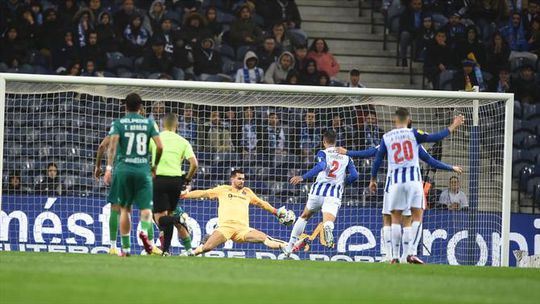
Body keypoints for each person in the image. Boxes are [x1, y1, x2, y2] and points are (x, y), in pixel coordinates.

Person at [369, 108, 464, 263]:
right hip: (413, 182)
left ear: (395, 120)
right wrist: (454, 125)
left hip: (395, 183)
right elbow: (435, 139)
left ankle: (393, 256)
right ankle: (411, 252)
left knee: (394, 218)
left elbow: (377, 159)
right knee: (417, 215)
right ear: (408, 120)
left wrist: (373, 178)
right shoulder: (414, 134)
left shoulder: (386, 137)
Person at [103, 93, 163, 257]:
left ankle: (125, 248)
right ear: (141, 106)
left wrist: (108, 168)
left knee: (124, 210)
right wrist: (154, 166)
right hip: (143, 170)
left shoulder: (119, 123)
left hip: (123, 170)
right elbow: (159, 147)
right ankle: (145, 234)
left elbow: (112, 146)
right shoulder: (149, 123)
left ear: (125, 106)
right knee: (146, 209)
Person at [283, 130, 359, 256]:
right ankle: (328, 228)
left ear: (324, 142)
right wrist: (345, 182)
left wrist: (303, 177)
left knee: (304, 216)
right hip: (334, 193)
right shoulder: (346, 156)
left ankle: (290, 247)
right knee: (328, 221)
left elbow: (322, 165)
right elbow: (355, 175)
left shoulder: (322, 152)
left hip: (318, 191)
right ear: (335, 141)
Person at [181, 169, 289, 255]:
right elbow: (203, 193)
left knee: (263, 238)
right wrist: (185, 195)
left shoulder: (247, 192)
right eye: (239, 178)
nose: (242, 181)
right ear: (232, 179)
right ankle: (192, 253)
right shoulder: (223, 189)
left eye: (243, 179)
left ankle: (287, 246)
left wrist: (275, 211)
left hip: (243, 229)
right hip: (225, 227)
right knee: (207, 247)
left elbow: (262, 203)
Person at [150, 113, 198, 256]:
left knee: (159, 218)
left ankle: (180, 218)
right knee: (169, 215)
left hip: (159, 180)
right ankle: (165, 251)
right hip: (176, 181)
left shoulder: (155, 139)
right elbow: (194, 164)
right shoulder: (183, 141)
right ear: (177, 126)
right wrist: (187, 179)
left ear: (162, 125)